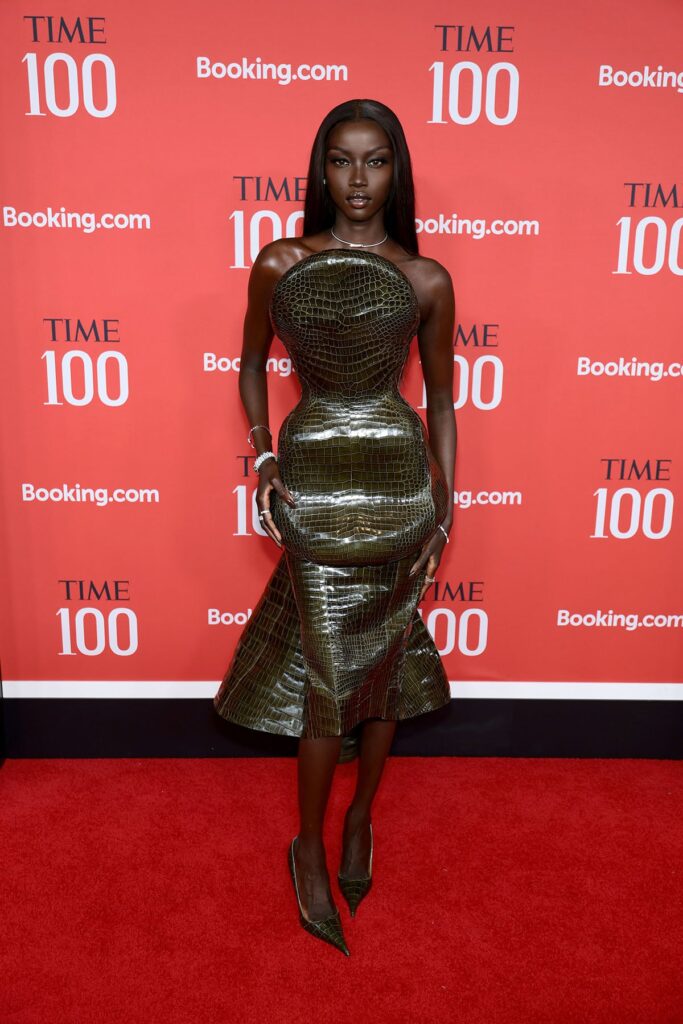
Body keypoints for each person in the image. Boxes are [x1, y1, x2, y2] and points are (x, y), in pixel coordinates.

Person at [213, 98, 457, 956]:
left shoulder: (425, 278)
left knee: (382, 668)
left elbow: (441, 400)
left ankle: (359, 821)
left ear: (396, 172)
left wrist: (445, 502)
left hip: (398, 485)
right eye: (343, 160)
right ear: (320, 170)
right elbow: (249, 364)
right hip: (312, 479)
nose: (358, 179)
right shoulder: (280, 261)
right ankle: (308, 847)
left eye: (376, 161)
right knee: (327, 677)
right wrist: (261, 455)